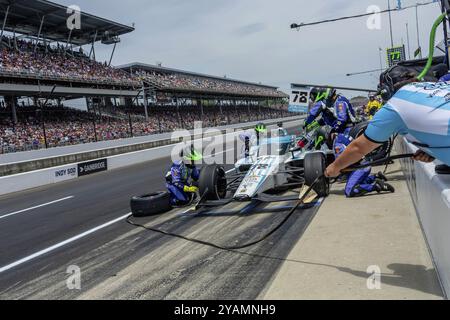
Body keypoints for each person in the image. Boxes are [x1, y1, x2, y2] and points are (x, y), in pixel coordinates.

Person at [325, 77, 450, 178]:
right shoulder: (439, 85)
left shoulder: (394, 106)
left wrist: (335, 167)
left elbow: (359, 148)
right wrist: (431, 149)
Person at [333, 133, 395, 197]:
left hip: (361, 166)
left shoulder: (337, 144)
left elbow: (342, 161)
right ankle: (374, 177)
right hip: (363, 163)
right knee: (357, 183)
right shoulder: (341, 137)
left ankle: (376, 186)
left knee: (349, 191)